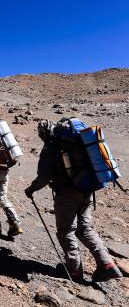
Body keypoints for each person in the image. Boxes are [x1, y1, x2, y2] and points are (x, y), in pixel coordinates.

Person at [25, 120, 122, 283]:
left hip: (68, 193)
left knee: (66, 230)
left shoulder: (52, 147)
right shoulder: (77, 142)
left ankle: (74, 269)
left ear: (43, 133)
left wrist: (31, 189)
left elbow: (43, 177)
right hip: (88, 188)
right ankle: (107, 264)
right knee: (85, 228)